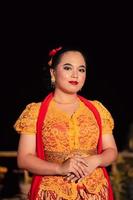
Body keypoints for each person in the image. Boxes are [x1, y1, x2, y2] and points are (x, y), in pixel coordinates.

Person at [14, 46, 118, 200]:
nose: (76, 74)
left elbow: (111, 150)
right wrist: (59, 168)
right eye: (68, 68)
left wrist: (96, 160)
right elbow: (24, 159)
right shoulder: (35, 111)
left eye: (81, 70)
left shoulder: (97, 109)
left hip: (96, 192)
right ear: (53, 72)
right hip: (52, 193)